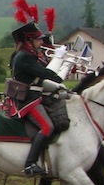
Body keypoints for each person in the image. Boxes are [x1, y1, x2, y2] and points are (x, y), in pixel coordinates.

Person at [9, 21, 64, 176]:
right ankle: (29, 164)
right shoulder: (24, 57)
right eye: (38, 39)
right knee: (47, 127)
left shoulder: (29, 56)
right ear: (29, 42)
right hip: (28, 100)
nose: (41, 42)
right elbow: (44, 73)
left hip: (34, 96)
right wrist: (59, 78)